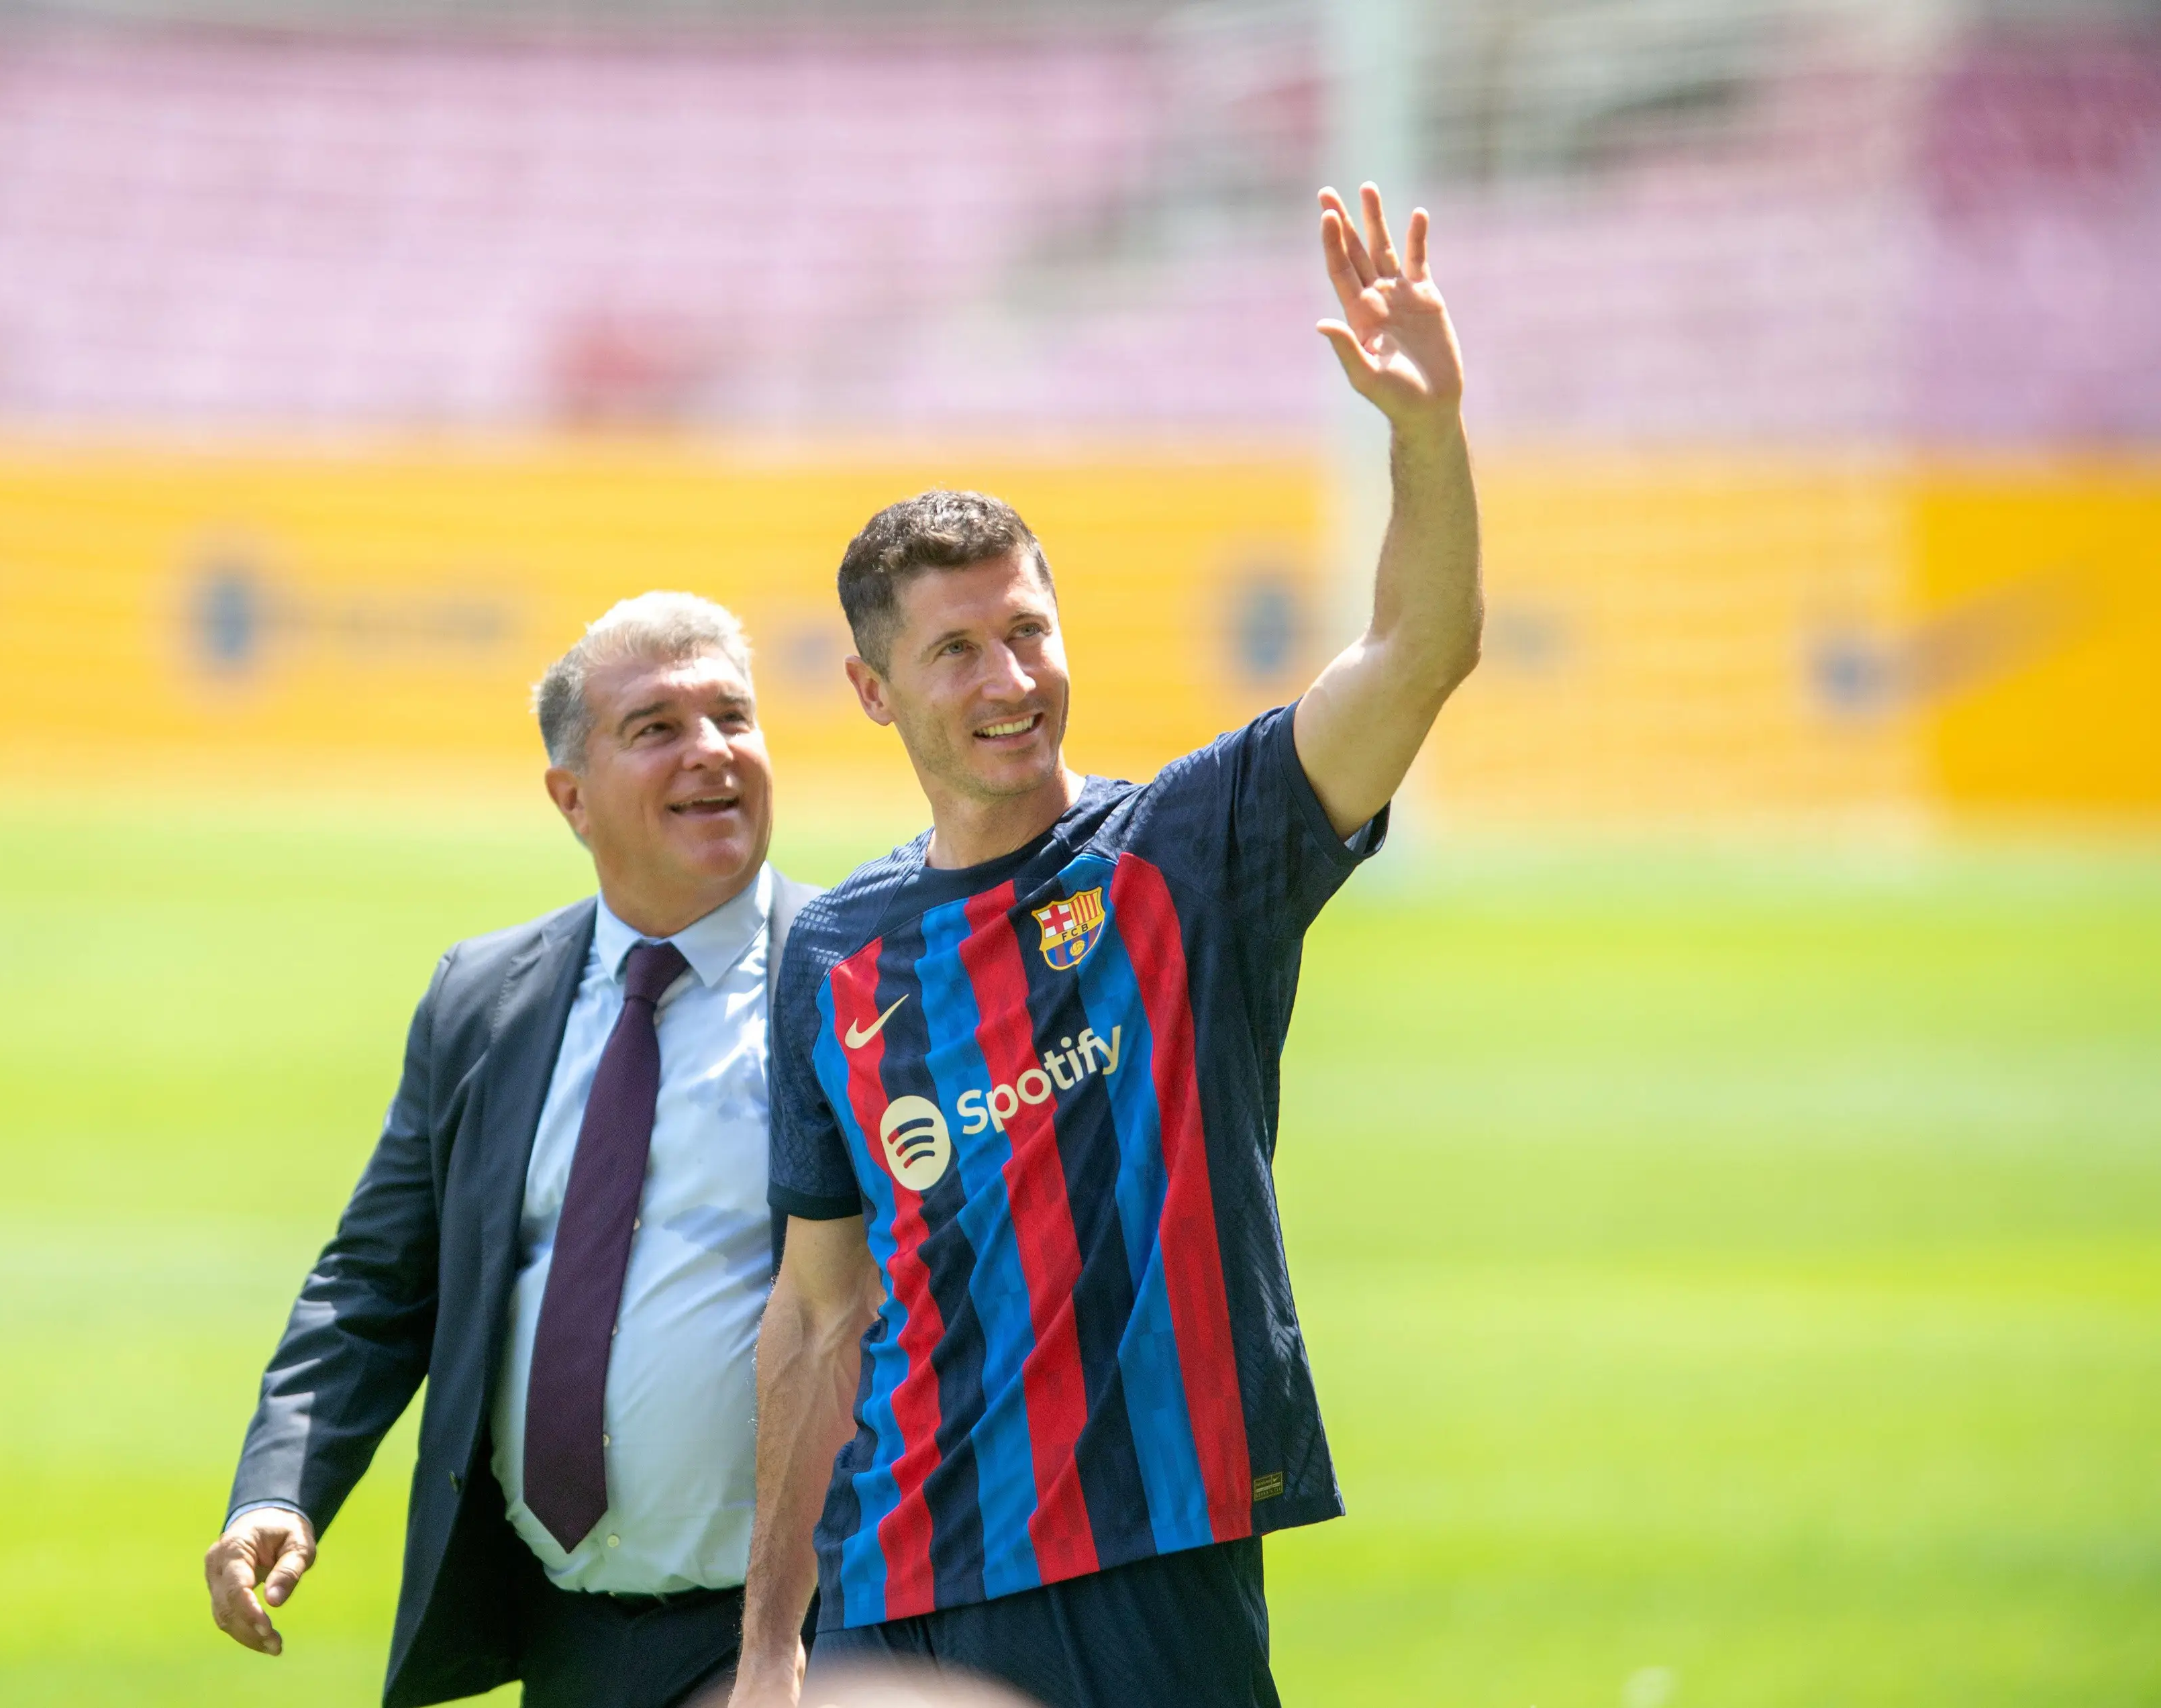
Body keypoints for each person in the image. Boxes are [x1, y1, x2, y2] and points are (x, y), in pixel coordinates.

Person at [727, 185, 1482, 1708]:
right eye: (956, 650)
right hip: (896, 1580)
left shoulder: (1189, 854)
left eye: (1030, 631)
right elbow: (817, 1313)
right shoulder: (837, 955)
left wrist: (1426, 430)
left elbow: (1421, 652)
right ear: (878, 695)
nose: (1010, 678)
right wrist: (768, 1645)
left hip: (1146, 1557)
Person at [209, 593, 822, 1708]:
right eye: (656, 729)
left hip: (797, 1638)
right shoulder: (482, 998)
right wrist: (278, 1494)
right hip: (566, 1635)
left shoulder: (861, 987)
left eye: (733, 717)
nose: (712, 754)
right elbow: (376, 1283)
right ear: (572, 799)